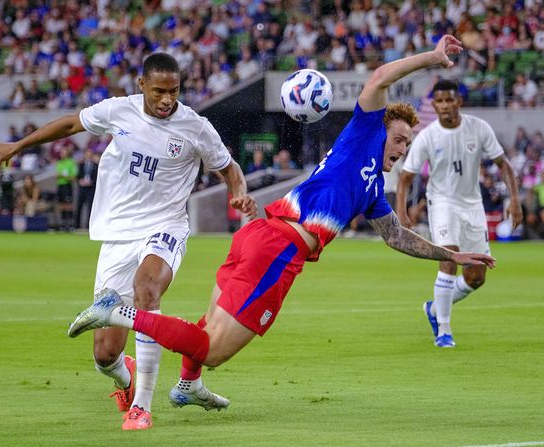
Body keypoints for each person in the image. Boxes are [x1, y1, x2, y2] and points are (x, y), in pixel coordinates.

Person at [67, 35, 494, 416]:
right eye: (400, 140)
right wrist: (432, 58)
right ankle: (118, 312)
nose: (402, 149)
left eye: (407, 143)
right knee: (213, 349)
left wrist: (450, 254)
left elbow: (396, 235)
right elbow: (381, 75)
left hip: (259, 234)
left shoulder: (371, 188)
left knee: (209, 325)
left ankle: (188, 385)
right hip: (280, 251)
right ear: (382, 130)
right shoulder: (363, 133)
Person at [0, 53, 256, 430]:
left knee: (147, 289)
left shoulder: (195, 126)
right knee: (104, 355)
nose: (167, 100)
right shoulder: (118, 111)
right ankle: (126, 378)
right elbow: (69, 124)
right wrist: (17, 146)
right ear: (141, 86)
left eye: (174, 91)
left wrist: (238, 194)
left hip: (165, 227)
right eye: (159, 91)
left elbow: (229, 168)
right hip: (118, 234)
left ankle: (142, 407)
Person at [395, 79, 523, 348]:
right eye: (439, 101)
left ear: (459, 101)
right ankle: (443, 330)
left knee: (477, 277)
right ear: (434, 105)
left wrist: (515, 200)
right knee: (449, 258)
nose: (444, 106)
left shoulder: (478, 128)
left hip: (472, 205)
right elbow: (405, 177)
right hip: (441, 203)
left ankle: (433, 309)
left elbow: (504, 165)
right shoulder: (428, 136)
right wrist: (402, 212)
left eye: (448, 100)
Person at [55, 146, 77, 231]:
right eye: (61, 153)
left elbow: (74, 177)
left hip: (67, 185)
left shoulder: (71, 163)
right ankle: (63, 224)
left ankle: (70, 224)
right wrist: (59, 176)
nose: (62, 154)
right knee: (61, 205)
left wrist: (64, 176)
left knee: (68, 205)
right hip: (60, 185)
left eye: (63, 152)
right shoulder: (59, 163)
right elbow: (57, 175)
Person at [76, 148, 99, 228]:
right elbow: (77, 176)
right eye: (87, 154)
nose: (88, 156)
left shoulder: (96, 165)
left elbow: (97, 177)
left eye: (90, 154)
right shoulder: (81, 165)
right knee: (79, 206)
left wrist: (91, 182)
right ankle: (77, 225)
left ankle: (89, 226)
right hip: (82, 188)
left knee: (90, 208)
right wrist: (80, 181)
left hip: (91, 189)